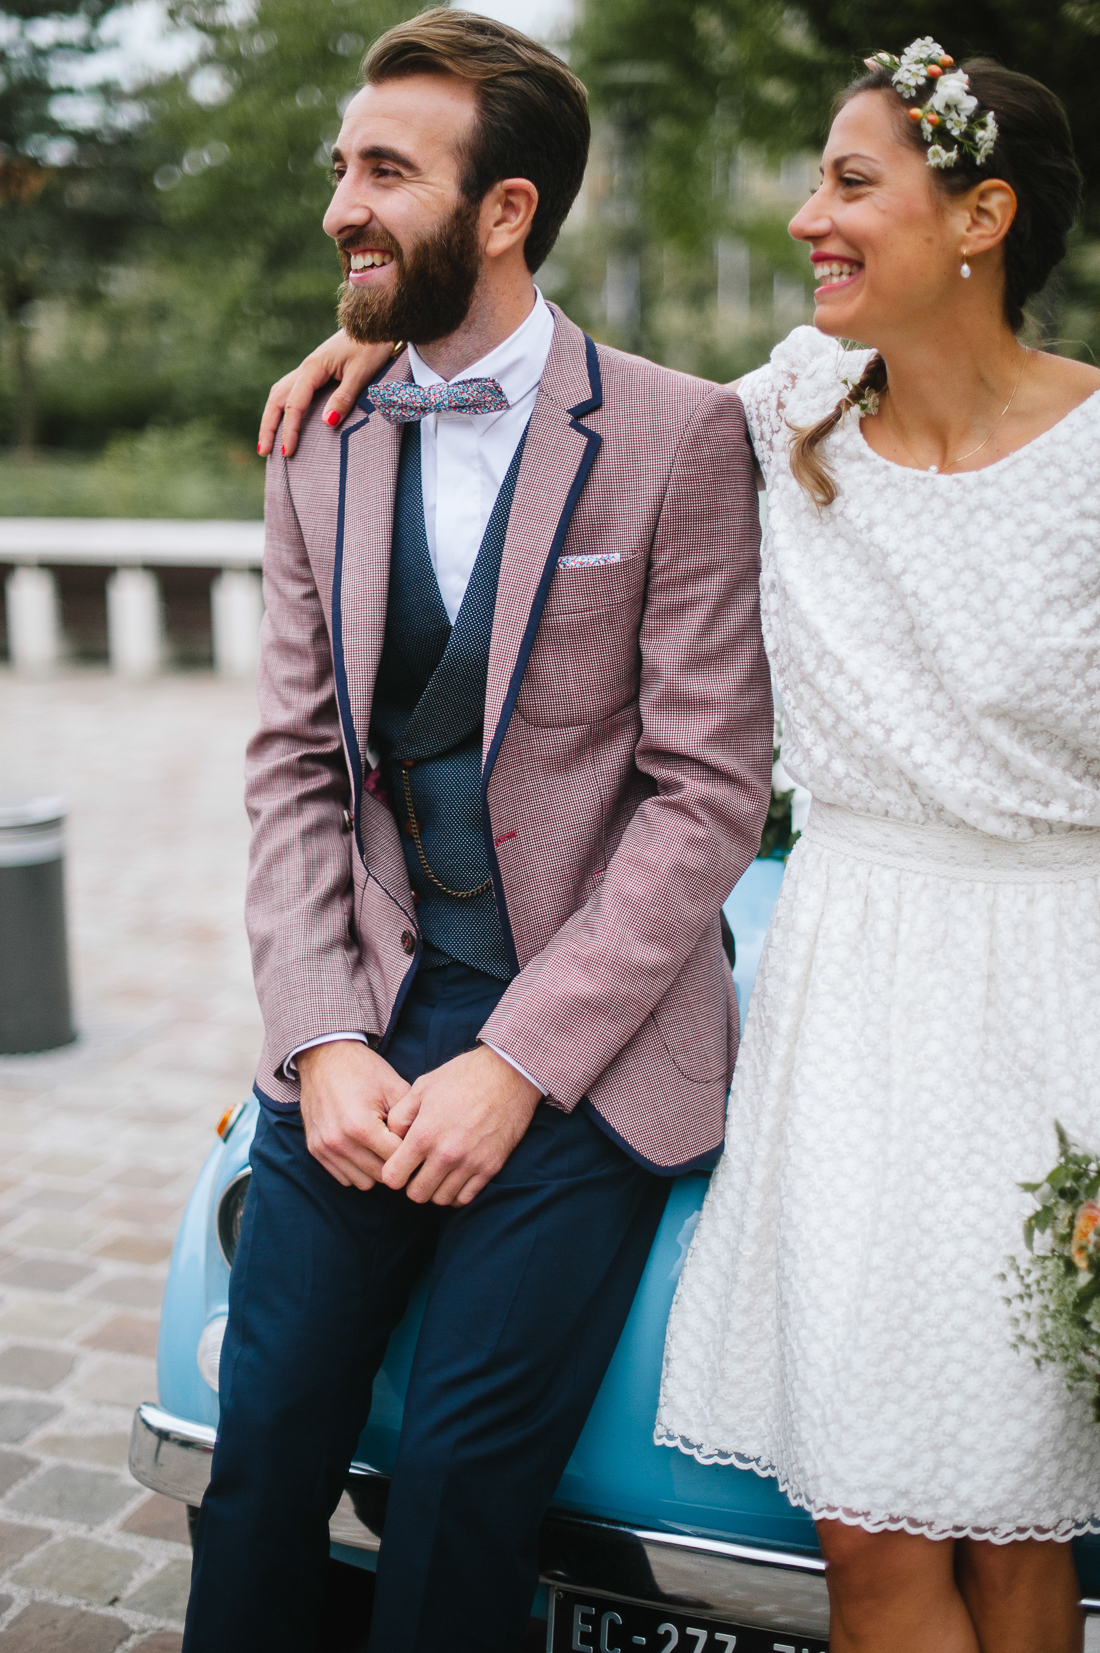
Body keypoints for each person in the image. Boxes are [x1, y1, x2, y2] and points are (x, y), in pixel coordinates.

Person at [271, 34, 1100, 1653]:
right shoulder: (785, 416)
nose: (809, 218)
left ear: (982, 215)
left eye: (852, 183)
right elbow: (558, 421)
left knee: (1023, 1528)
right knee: (873, 1524)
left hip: (1055, 996)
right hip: (850, 1000)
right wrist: (372, 341)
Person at [190, 9, 773, 1653]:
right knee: (262, 1450)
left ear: (504, 209)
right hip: (374, 1014)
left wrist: (517, 1062)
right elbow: (296, 767)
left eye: (386, 171)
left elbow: (708, 788)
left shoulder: (677, 435)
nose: (339, 208)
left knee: (456, 1481)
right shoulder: (319, 437)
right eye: (340, 167)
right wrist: (319, 1038)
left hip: (588, 1036)